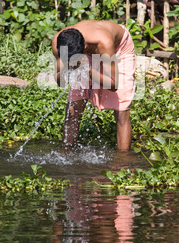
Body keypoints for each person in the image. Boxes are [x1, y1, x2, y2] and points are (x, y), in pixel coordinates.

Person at [51, 20, 136, 151]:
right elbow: (60, 82)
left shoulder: (104, 43)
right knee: (73, 108)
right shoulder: (59, 42)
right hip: (85, 53)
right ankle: (66, 153)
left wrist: (88, 71)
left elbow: (113, 84)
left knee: (122, 111)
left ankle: (123, 163)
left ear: (84, 48)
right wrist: (66, 67)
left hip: (119, 50)